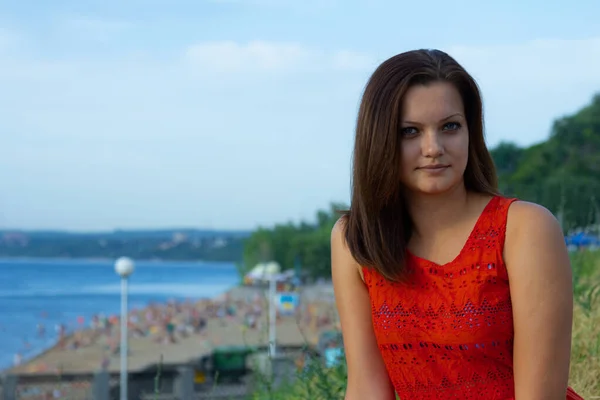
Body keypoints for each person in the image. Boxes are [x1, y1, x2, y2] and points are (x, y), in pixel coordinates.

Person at [331, 49, 583, 400]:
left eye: (450, 126)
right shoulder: (355, 241)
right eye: (409, 131)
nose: (433, 148)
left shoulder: (524, 230)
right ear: (379, 140)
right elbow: (366, 387)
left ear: (470, 131)